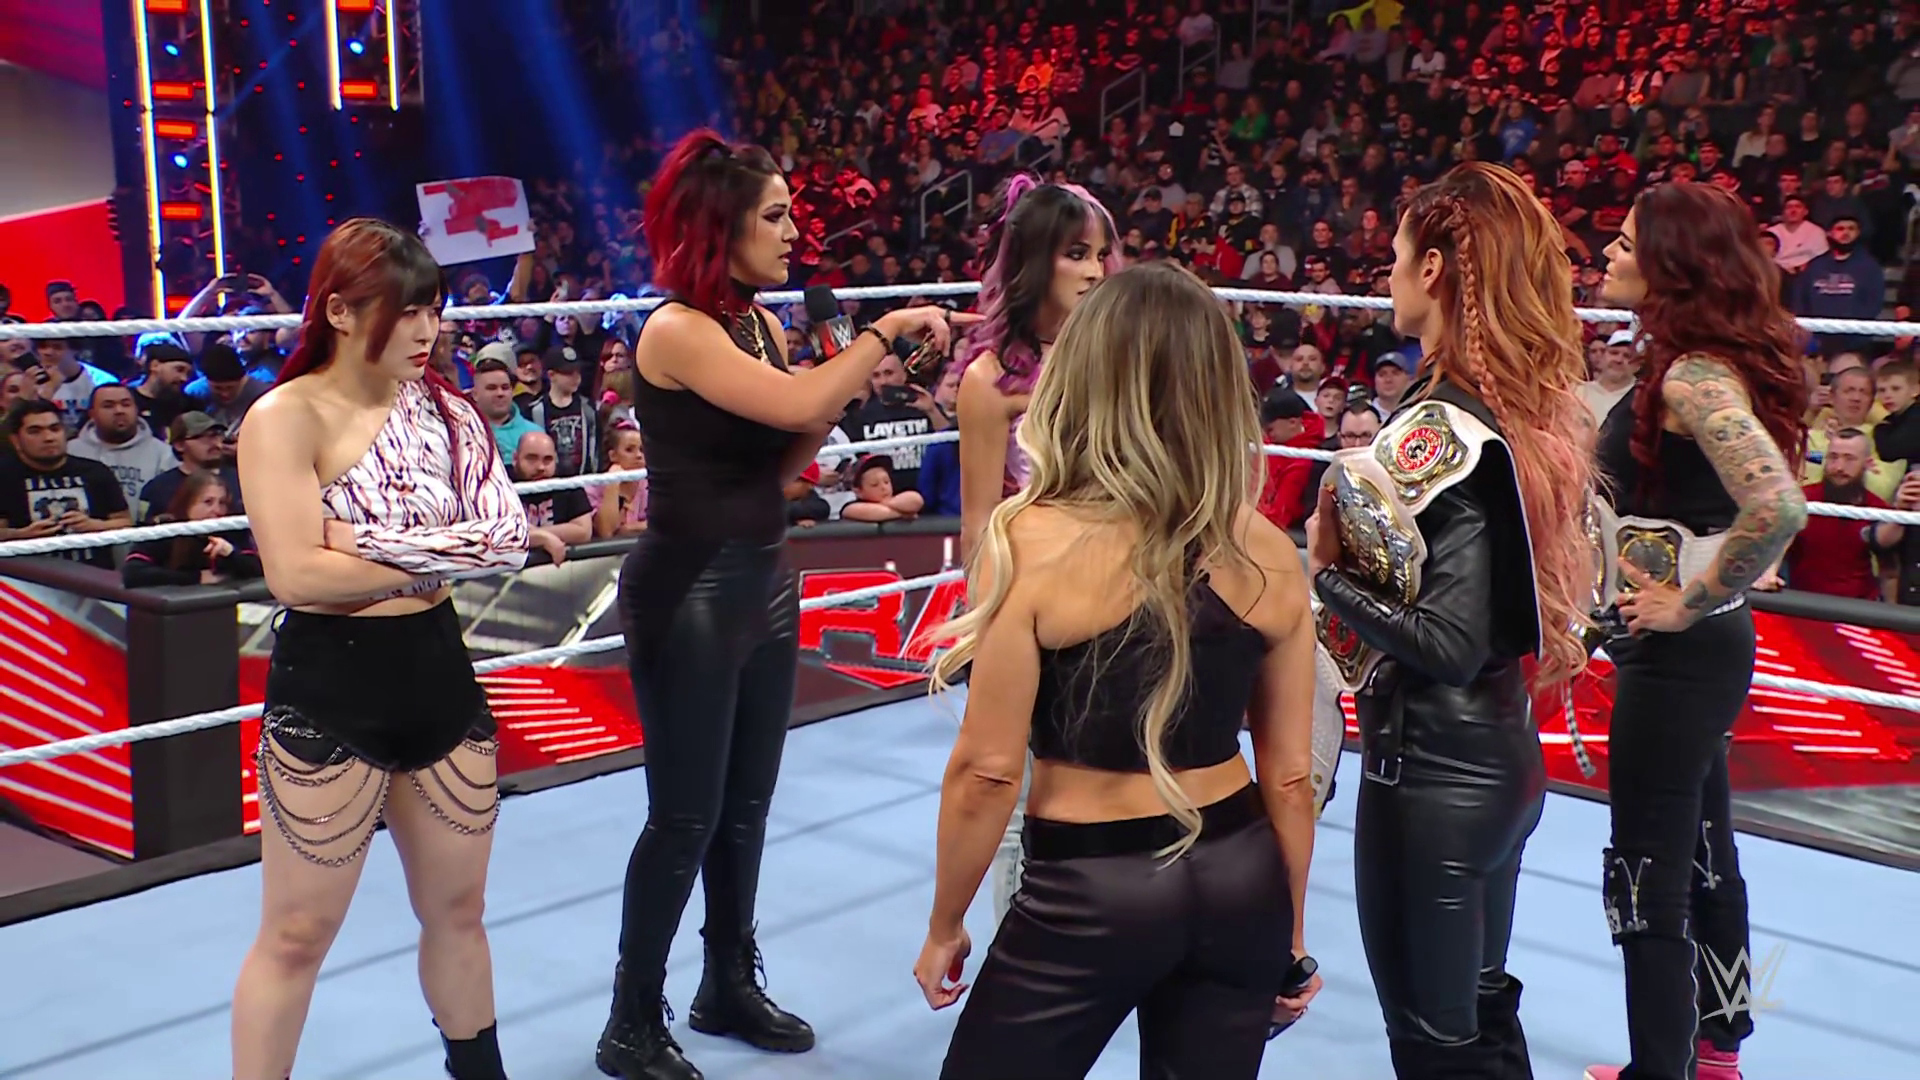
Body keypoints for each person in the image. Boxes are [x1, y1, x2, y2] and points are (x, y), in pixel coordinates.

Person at [599, 129, 967, 1080]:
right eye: (775, 215)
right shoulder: (675, 330)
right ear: (720, 228)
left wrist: (836, 385)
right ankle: (630, 1020)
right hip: (690, 586)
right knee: (684, 815)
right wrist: (878, 336)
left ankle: (727, 982)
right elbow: (801, 404)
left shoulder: (758, 324)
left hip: (764, 573)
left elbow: (792, 442)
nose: (795, 231)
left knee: (746, 805)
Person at [915, 260, 1322, 1079]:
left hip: (1090, 883)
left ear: (1085, 379)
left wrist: (945, 923)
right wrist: (1290, 935)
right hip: (1240, 871)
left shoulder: (1030, 538)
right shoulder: (1269, 550)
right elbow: (1288, 778)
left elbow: (988, 772)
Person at [230, 218, 564, 1080]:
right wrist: (444, 551)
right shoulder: (284, 417)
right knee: (296, 933)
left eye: (433, 310)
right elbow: (297, 577)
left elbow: (503, 537)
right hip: (333, 682)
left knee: (459, 909)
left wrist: (358, 542)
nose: (427, 330)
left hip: (438, 667)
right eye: (405, 311)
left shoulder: (449, 412)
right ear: (339, 312)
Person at [1306, 162, 1597, 1079]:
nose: (1386, 274)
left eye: (1395, 256)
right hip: (1495, 763)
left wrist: (1326, 576)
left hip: (1432, 779)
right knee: (1481, 1016)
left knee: (1436, 1051)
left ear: (1432, 269)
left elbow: (1450, 641)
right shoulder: (1517, 412)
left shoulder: (1440, 426)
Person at [1582, 182, 1810, 1080]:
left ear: (1669, 264)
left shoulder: (1691, 375)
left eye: (1625, 241)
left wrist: (1691, 597)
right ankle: (1718, 1049)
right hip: (1699, 646)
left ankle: (1660, 1071)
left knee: (1648, 869)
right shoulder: (1696, 363)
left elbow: (1777, 505)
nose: (1608, 252)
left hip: (1681, 651)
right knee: (1707, 852)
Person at [950, 172, 1118, 924]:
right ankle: (1013, 955)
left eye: (1102, 254)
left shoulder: (1120, 355)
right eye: (1077, 254)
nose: (1094, 271)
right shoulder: (988, 379)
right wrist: (984, 630)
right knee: (1016, 797)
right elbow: (980, 520)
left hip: (1126, 598)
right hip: (1033, 603)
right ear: (1035, 260)